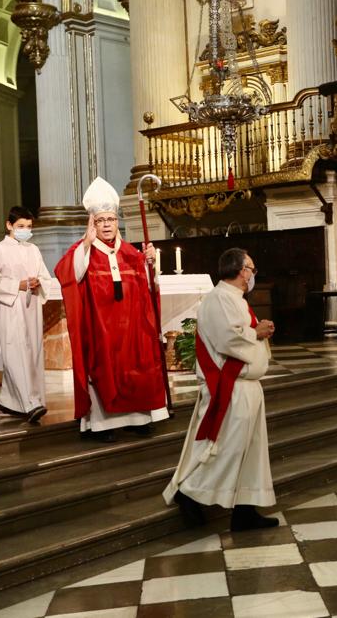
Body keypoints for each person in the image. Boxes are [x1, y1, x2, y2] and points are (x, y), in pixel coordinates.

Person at [163, 248, 278, 531]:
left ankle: (245, 511)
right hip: (231, 388)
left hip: (247, 387)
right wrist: (257, 332)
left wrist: (259, 329)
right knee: (225, 450)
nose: (253, 274)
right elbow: (228, 340)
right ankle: (188, 493)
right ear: (241, 271)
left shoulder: (235, 299)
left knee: (250, 453)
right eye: (251, 268)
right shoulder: (218, 299)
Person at [54, 177, 169, 443]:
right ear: (91, 224)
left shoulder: (131, 253)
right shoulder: (82, 252)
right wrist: (85, 244)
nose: (106, 225)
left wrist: (151, 264)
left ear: (118, 222)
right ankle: (101, 424)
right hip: (101, 332)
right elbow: (68, 275)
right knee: (103, 371)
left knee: (136, 368)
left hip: (131, 332)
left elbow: (149, 289)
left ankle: (138, 419)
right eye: (100, 221)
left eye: (111, 220)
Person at [0, 206, 54, 424]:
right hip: (11, 307)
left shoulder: (33, 249)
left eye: (29, 227)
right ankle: (29, 404)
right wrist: (17, 285)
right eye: (20, 226)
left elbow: (44, 275)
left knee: (32, 354)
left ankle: (10, 403)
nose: (25, 230)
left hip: (31, 307)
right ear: (9, 225)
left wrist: (39, 282)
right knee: (15, 354)